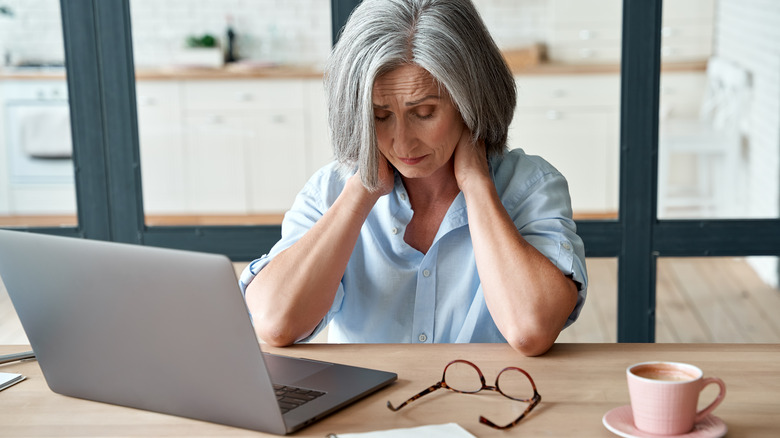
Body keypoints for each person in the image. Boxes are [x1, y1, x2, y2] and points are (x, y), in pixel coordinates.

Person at [240, 0, 587, 356]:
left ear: (471, 102)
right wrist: (361, 192)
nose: (402, 142)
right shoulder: (329, 191)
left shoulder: (529, 186)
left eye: (424, 113)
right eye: (379, 116)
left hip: (487, 405)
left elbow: (531, 330)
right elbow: (276, 323)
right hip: (368, 410)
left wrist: (477, 185)